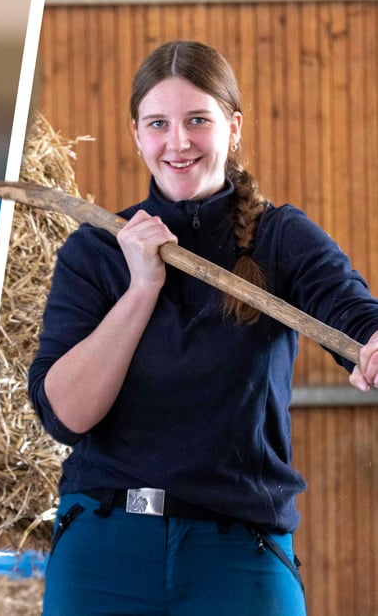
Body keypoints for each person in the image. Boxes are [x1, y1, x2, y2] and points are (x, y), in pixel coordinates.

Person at [28, 39, 378, 615]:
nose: (178, 142)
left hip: (241, 548)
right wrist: (142, 287)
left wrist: (370, 344)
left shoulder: (280, 238)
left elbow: (354, 315)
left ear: (233, 127)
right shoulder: (95, 250)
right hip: (105, 544)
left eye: (198, 120)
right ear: (137, 134)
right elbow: (65, 416)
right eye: (158, 123)